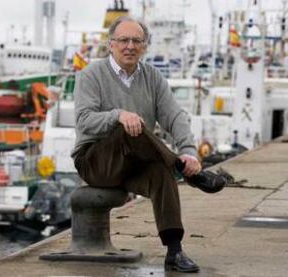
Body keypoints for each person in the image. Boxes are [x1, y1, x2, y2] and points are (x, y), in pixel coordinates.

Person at [71, 16, 225, 273]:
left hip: (133, 163)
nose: (130, 46)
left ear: (144, 46)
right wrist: (118, 115)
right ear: (111, 44)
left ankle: (174, 252)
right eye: (123, 40)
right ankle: (186, 172)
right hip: (95, 162)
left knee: (160, 173)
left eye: (137, 41)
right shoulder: (91, 75)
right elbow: (84, 121)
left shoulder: (152, 77)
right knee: (131, 128)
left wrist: (188, 151)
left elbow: (174, 116)